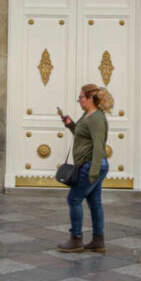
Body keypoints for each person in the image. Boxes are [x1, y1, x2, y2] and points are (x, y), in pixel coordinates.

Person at [57, 84, 113, 253]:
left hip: (92, 165)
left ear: (90, 98)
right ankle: (98, 240)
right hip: (91, 165)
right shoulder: (87, 115)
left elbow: (98, 146)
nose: (79, 100)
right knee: (94, 203)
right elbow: (83, 136)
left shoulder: (97, 118)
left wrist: (93, 172)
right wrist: (70, 124)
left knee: (74, 199)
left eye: (81, 97)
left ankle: (76, 239)